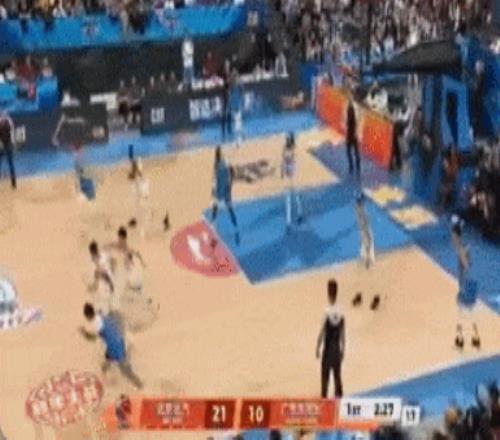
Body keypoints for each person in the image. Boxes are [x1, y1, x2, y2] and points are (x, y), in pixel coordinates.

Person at [79, 303, 143, 389]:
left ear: (87, 316)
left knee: (124, 370)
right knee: (105, 363)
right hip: (118, 339)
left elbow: (92, 339)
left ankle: (139, 384)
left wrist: (83, 332)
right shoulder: (99, 315)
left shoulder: (96, 324)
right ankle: (107, 381)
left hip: (114, 345)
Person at [451, 215, 480, 350]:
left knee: (461, 315)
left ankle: (460, 339)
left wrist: (456, 229)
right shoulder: (467, 255)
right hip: (470, 289)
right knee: (471, 314)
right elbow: (459, 245)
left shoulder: (463, 257)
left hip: (465, 290)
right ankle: (475, 338)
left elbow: (458, 246)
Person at [316, 279, 345, 398]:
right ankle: (340, 403)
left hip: (328, 351)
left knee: (325, 380)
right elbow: (343, 332)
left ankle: (324, 403)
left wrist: (317, 347)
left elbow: (322, 331)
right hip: (337, 350)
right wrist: (343, 349)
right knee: (337, 379)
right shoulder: (341, 310)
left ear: (328, 293)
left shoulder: (327, 311)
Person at [211, 146, 240, 245]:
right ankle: (234, 225)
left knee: (218, 205)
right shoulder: (221, 163)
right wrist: (230, 183)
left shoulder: (218, 164)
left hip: (223, 187)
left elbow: (216, 177)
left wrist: (230, 183)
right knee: (224, 206)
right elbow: (230, 171)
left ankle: (214, 222)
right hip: (224, 187)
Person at [281, 132, 303, 231]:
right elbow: (284, 161)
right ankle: (289, 221)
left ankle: (298, 214)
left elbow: (290, 161)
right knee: (289, 198)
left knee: (295, 196)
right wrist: (282, 171)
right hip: (289, 175)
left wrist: (284, 169)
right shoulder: (287, 149)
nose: (287, 141)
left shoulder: (292, 150)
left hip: (292, 175)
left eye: (288, 139)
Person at [354, 192, 374, 269]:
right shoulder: (360, 209)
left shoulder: (359, 207)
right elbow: (363, 219)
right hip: (364, 227)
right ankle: (367, 259)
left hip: (363, 227)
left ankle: (364, 258)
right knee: (368, 241)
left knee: (365, 242)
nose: (364, 202)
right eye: (363, 200)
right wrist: (367, 221)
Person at [0, 111, 16, 189]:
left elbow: (12, 133)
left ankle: (13, 182)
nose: (3, 117)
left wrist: (13, 143)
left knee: (10, 163)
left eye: (5, 115)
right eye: (2, 115)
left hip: (8, 143)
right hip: (1, 144)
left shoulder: (9, 122)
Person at [346, 98, 360, 176]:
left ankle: (352, 165)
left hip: (351, 134)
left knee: (350, 151)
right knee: (355, 151)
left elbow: (349, 123)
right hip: (353, 134)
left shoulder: (351, 112)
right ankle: (357, 165)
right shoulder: (352, 111)